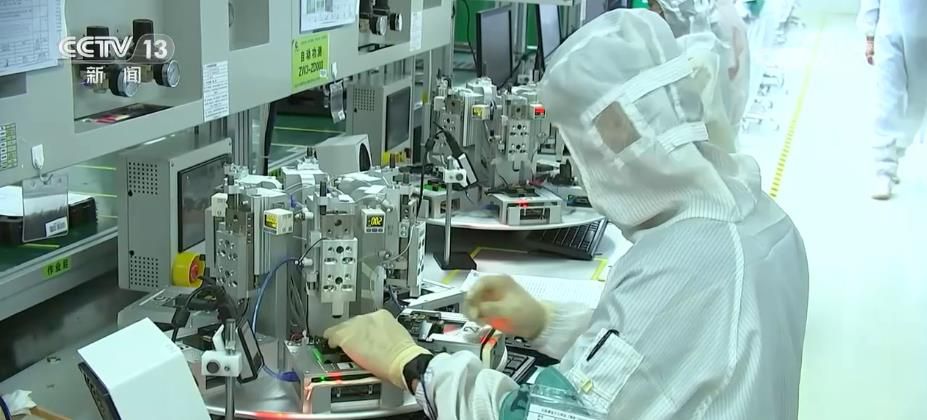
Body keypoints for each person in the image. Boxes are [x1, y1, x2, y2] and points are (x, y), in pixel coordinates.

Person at [324, 9, 809, 419]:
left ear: (612, 143)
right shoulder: (760, 219)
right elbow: (663, 355)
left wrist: (413, 363)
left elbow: (545, 414)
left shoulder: (685, 261)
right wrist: (545, 322)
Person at [649, 0, 752, 153]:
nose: (651, 13)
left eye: (653, 6)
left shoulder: (697, 63)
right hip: (724, 135)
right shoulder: (713, 30)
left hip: (707, 149)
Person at [859, 0, 927, 200]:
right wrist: (869, 34)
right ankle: (883, 171)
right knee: (888, 101)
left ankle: (896, 150)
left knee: (916, 105)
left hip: (923, 37)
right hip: (889, 33)